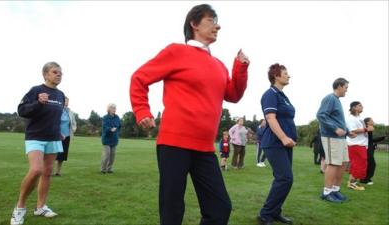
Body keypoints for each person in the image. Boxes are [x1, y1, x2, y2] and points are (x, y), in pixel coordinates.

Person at [129, 4, 250, 225]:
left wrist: (240, 68)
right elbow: (139, 78)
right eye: (212, 20)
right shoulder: (176, 51)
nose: (218, 25)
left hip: (204, 148)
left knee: (220, 208)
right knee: (172, 210)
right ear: (194, 24)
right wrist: (141, 111)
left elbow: (233, 95)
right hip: (174, 143)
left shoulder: (219, 65)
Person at [11, 62, 64, 225]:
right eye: (55, 72)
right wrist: (38, 103)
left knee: (47, 173)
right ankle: (19, 208)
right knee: (36, 170)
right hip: (35, 137)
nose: (59, 75)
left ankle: (40, 207)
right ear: (45, 74)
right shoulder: (36, 90)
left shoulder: (61, 95)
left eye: (61, 73)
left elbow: (55, 116)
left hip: (53, 137)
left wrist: (59, 131)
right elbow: (21, 110)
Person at [257, 63, 296, 225]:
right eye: (285, 73)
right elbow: (271, 118)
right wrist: (283, 137)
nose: (288, 75)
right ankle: (265, 214)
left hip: (285, 144)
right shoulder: (270, 94)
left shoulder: (282, 95)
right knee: (285, 178)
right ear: (276, 76)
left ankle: (275, 211)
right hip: (274, 142)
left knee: (282, 179)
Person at [317, 77, 352, 203]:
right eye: (346, 88)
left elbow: (338, 120)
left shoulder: (337, 100)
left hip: (341, 138)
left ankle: (335, 190)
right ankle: (326, 192)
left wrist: (348, 132)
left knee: (343, 163)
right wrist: (335, 128)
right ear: (340, 86)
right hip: (331, 137)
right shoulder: (330, 98)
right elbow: (321, 115)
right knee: (333, 163)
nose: (346, 91)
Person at [346, 101, 371, 191]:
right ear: (354, 107)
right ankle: (352, 184)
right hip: (355, 144)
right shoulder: (351, 118)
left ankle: (353, 182)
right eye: (360, 105)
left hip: (361, 144)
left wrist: (367, 129)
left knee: (360, 164)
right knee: (358, 164)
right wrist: (366, 129)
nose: (362, 107)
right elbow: (353, 130)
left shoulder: (359, 118)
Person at [54, 96, 77, 176]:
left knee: (62, 155)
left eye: (68, 101)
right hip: (57, 136)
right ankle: (49, 170)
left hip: (67, 136)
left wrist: (73, 129)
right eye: (66, 101)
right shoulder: (57, 110)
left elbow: (73, 122)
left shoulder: (70, 112)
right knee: (54, 154)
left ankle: (58, 171)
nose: (67, 103)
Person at [360, 117, 386, 185]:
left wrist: (382, 137)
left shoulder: (369, 129)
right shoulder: (368, 129)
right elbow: (368, 140)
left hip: (369, 148)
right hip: (367, 149)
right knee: (371, 164)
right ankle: (364, 179)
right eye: (371, 120)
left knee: (370, 164)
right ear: (367, 122)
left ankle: (366, 178)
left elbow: (371, 140)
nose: (373, 121)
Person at [100, 103, 121, 174]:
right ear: (109, 109)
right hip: (106, 139)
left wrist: (117, 131)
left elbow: (119, 126)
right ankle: (103, 169)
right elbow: (104, 126)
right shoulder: (105, 117)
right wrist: (110, 129)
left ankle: (109, 168)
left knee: (113, 155)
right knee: (107, 154)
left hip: (114, 139)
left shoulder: (117, 117)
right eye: (112, 108)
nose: (114, 110)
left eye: (115, 108)